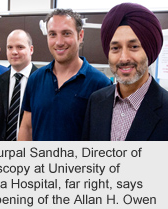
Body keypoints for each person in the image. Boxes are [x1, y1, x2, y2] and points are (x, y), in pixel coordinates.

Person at [18, 9, 111, 141]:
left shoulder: (100, 84)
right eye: (52, 34)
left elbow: (101, 138)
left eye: (66, 33)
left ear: (80, 35)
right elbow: (27, 127)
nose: (59, 42)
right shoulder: (35, 79)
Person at [82, 3, 168, 141]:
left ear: (149, 49)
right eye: (115, 48)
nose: (124, 58)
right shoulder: (96, 101)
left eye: (134, 46)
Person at [0, 30, 38, 141]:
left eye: (20, 47)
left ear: (31, 49)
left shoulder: (42, 81)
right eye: (10, 47)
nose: (14, 52)